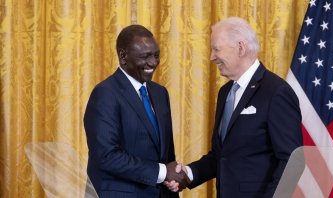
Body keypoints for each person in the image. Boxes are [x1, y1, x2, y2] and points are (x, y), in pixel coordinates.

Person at [165, 17, 303, 197]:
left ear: (241, 48)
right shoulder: (225, 92)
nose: (212, 57)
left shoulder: (276, 92)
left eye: (216, 49)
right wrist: (187, 174)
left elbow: (292, 162)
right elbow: (221, 156)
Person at [83, 24, 189, 198]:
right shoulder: (105, 93)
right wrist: (162, 172)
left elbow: (167, 153)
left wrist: (174, 176)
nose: (153, 63)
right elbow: (106, 156)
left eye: (156, 55)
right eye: (145, 56)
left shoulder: (160, 92)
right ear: (123, 56)